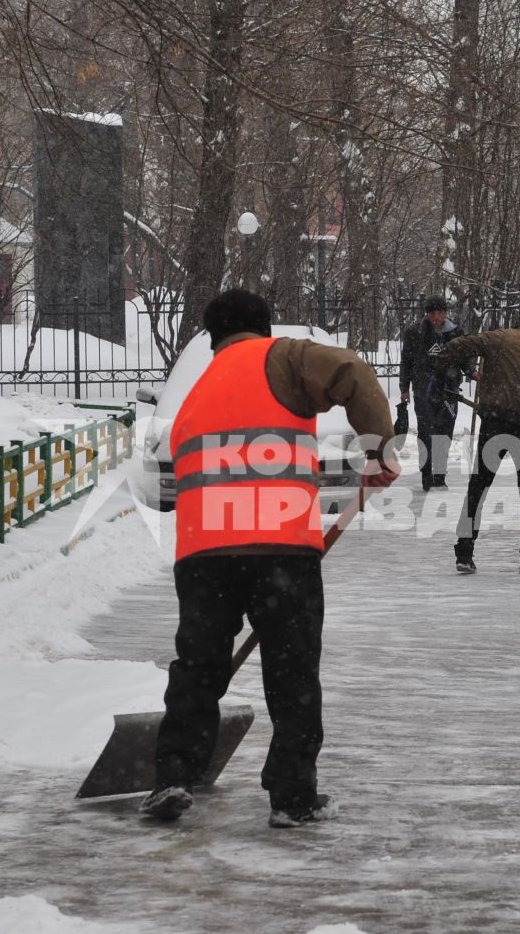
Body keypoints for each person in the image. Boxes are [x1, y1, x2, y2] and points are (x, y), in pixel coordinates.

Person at [140, 289, 399, 828]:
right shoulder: (281, 357)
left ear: (213, 339)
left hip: (204, 553)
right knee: (292, 674)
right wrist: (377, 450)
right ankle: (292, 796)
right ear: (264, 325)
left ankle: (172, 775)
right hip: (280, 550)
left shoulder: (195, 394)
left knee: (199, 668)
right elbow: (350, 370)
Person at [438, 309, 520, 575]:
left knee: (478, 487)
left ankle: (464, 552)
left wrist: (445, 371)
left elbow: (458, 345)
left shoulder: (498, 337)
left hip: (494, 421)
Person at [398, 296, 465, 489]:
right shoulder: (415, 333)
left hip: (449, 391)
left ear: (445, 313)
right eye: (432, 314)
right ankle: (426, 475)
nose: (436, 318)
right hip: (423, 391)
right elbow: (406, 362)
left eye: (439, 313)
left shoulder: (455, 332)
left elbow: (464, 357)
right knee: (426, 433)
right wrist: (404, 388)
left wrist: (472, 371)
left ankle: (440, 475)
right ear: (427, 315)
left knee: (445, 433)